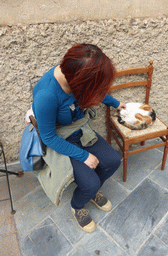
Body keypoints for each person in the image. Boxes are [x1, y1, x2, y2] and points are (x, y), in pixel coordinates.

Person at [32, 43, 126, 233]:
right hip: (61, 140)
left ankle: (90, 191)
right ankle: (77, 205)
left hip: (81, 131)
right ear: (79, 81)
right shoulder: (46, 95)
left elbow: (96, 91)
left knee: (113, 161)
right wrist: (83, 156)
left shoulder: (78, 75)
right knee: (89, 182)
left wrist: (116, 103)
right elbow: (49, 137)